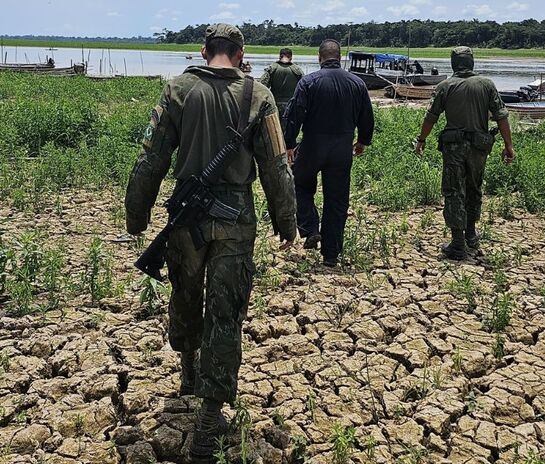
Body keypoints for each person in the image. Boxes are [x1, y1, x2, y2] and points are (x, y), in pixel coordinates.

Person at [124, 24, 297, 462]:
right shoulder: (259, 96)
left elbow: (151, 156)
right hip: (235, 219)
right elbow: (277, 166)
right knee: (226, 310)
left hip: (186, 219)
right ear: (240, 54)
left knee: (185, 295)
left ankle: (188, 371)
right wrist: (287, 220)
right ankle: (208, 414)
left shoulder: (177, 90)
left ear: (204, 52)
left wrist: (137, 212)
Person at [414, 46, 515, 260]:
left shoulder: (445, 86)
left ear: (453, 64)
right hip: (479, 148)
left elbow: (430, 117)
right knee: (474, 188)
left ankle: (458, 243)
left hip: (455, 148)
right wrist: (508, 145)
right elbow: (501, 116)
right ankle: (470, 233)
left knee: (453, 190)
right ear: (472, 62)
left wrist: (421, 140)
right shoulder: (486, 85)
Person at [283, 39, 374, 267]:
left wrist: (289, 143)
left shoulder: (308, 82)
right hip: (342, 147)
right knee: (336, 200)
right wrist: (363, 140)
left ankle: (310, 227)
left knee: (300, 184)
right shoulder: (357, 83)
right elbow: (366, 117)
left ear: (319, 57)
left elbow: (295, 114)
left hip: (313, 144)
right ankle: (331, 255)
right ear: (340, 57)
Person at [259, 48, 304, 121]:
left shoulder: (272, 68)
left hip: (274, 105)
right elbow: (304, 88)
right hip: (291, 106)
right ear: (291, 57)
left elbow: (262, 86)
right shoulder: (297, 70)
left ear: (280, 56)